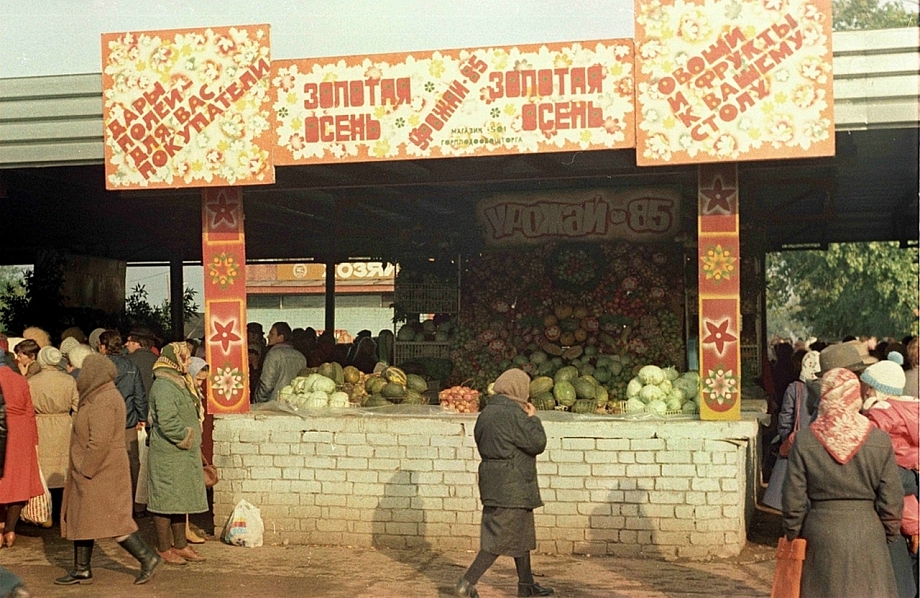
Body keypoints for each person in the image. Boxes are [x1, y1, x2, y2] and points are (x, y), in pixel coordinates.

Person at [782, 367, 903, 598]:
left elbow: (793, 498)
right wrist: (887, 533)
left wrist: (794, 533)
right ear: (855, 395)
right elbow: (892, 498)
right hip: (869, 532)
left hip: (820, 532)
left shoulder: (805, 439)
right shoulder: (879, 439)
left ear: (825, 395)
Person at [55, 354, 161, 586]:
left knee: (115, 521)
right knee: (82, 518)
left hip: (101, 471)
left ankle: (148, 557)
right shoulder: (98, 396)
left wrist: (85, 470)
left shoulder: (103, 399)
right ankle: (81, 569)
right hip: (99, 469)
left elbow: (100, 441)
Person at [456, 368, 553, 598]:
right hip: (513, 483)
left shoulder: (486, 413)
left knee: (520, 534)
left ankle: (526, 585)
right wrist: (533, 418)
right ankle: (466, 583)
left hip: (493, 481)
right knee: (499, 539)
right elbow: (537, 443)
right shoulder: (515, 414)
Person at [861, 353, 920, 591]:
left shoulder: (881, 413)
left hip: (894, 473)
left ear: (877, 389)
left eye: (867, 388)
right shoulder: (913, 408)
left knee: (901, 506)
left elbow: (867, 443)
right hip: (912, 470)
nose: (864, 392)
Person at [146, 343, 208, 565]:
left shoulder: (178, 381)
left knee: (180, 499)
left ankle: (180, 545)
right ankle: (164, 548)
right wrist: (187, 438)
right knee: (165, 501)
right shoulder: (164, 385)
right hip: (169, 453)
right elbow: (167, 421)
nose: (189, 362)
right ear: (175, 359)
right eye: (186, 358)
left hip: (179, 454)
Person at [98, 330, 148, 512]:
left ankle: (110, 506)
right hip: (128, 421)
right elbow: (139, 395)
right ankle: (136, 505)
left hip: (103, 422)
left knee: (106, 462)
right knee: (132, 462)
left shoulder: (98, 367)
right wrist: (142, 417)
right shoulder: (131, 366)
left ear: (103, 346)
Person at [0, 345, 44, 548]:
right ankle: (10, 530)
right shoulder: (20, 380)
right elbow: (29, 412)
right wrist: (34, 440)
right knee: (17, 482)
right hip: (21, 434)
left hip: (4, 429)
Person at [28, 346, 79, 503]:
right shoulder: (69, 380)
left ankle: (43, 506)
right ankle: (61, 506)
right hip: (64, 425)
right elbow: (77, 406)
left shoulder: (32, 381)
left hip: (40, 424)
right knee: (62, 465)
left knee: (43, 466)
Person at [254, 322, 306, 403]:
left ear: (281, 337)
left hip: (274, 405)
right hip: (294, 404)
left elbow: (266, 385)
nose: (268, 336)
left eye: (272, 334)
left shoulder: (273, 355)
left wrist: (258, 402)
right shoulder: (301, 357)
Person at [125, 328, 158, 398]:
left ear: (137, 343)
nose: (126, 344)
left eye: (129, 341)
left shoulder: (126, 362)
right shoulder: (157, 360)